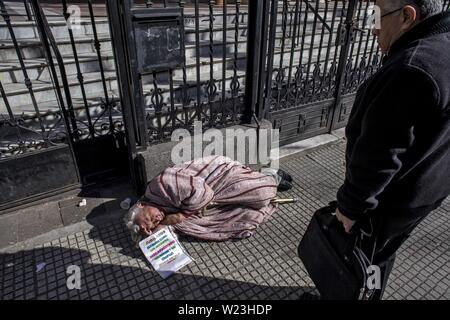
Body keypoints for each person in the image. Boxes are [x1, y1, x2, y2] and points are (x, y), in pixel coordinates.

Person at [334, 0, 450, 299]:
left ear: (406, 17)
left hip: (392, 198)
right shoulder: (442, 45)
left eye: (376, 16)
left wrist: (350, 207)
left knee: (366, 257)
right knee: (383, 251)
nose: (372, 28)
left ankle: (360, 294)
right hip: (429, 186)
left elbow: (380, 156)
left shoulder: (413, 68)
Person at [124, 155, 293, 243]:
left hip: (220, 175)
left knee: (262, 195)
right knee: (242, 214)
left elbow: (203, 192)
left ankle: (270, 175)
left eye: (149, 218)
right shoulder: (156, 206)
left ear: (141, 204)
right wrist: (153, 232)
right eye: (153, 223)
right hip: (204, 201)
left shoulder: (162, 184)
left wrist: (181, 216)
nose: (156, 219)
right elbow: (171, 220)